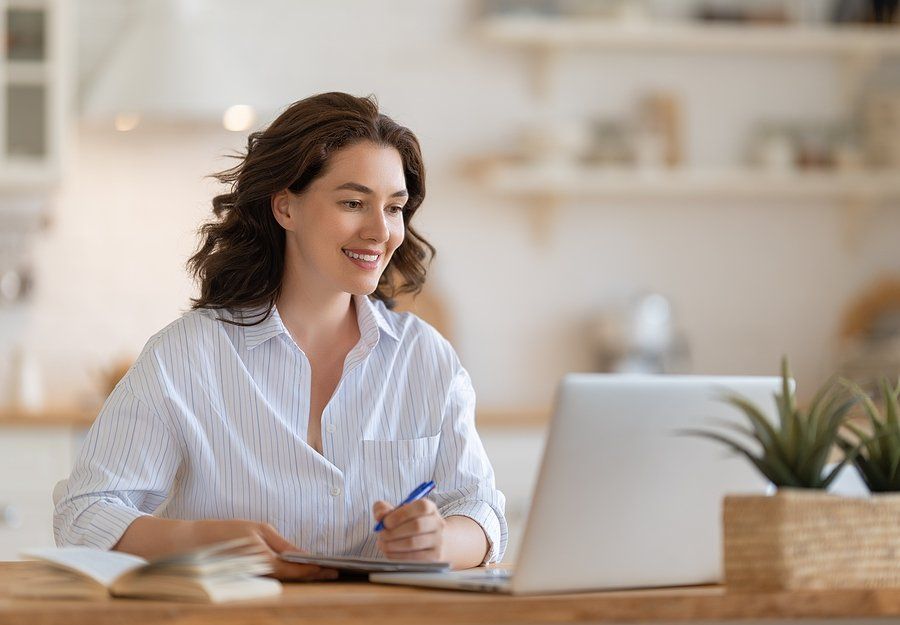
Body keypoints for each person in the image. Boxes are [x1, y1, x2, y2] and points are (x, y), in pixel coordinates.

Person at [53, 92, 507, 580]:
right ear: (285, 207)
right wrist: (196, 540)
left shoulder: (425, 357)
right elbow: (82, 515)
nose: (380, 231)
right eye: (353, 202)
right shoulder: (187, 355)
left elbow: (481, 510)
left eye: (394, 208)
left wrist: (441, 540)